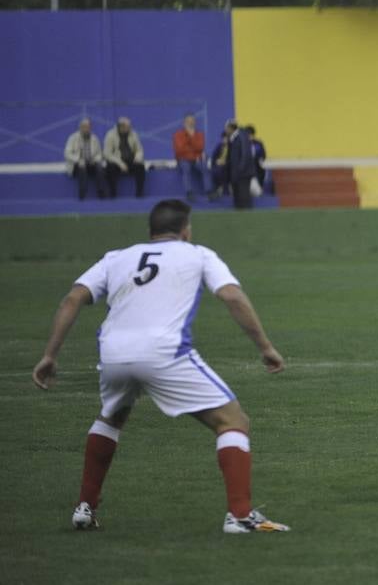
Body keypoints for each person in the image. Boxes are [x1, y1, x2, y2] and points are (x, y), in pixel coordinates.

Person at [30, 199, 289, 534]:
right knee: (233, 420)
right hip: (163, 351)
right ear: (186, 230)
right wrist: (265, 347)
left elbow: (72, 299)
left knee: (112, 417)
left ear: (150, 231)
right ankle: (239, 515)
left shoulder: (117, 257)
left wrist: (50, 355)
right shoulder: (197, 253)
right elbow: (232, 296)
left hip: (112, 352)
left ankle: (85, 507)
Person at [103, 117, 146, 199]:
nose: (130, 128)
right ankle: (113, 193)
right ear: (121, 127)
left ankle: (139, 193)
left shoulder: (133, 134)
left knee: (140, 166)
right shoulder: (110, 135)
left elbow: (139, 149)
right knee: (110, 167)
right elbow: (107, 154)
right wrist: (120, 163)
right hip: (116, 161)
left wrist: (138, 157)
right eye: (128, 127)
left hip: (130, 160)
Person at [64, 118, 107, 200]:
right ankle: (82, 194)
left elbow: (99, 153)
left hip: (91, 163)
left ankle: (101, 193)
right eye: (84, 127)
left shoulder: (95, 138)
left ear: (90, 128)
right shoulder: (72, 138)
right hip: (77, 165)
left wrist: (95, 159)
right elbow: (67, 153)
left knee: (100, 167)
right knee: (82, 167)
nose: (86, 129)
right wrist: (78, 159)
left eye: (87, 127)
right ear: (80, 127)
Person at [173, 114, 208, 201]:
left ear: (195, 122)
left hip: (196, 159)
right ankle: (189, 192)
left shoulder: (199, 134)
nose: (191, 123)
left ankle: (209, 191)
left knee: (204, 167)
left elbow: (200, 147)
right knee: (186, 168)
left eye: (192, 121)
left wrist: (191, 138)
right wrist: (191, 139)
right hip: (183, 159)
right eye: (188, 121)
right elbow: (180, 149)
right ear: (184, 123)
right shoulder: (178, 135)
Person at [225, 119, 257, 210]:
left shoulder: (241, 136)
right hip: (236, 173)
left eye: (226, 128)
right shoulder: (233, 138)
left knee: (244, 196)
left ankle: (247, 217)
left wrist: (240, 170)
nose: (226, 130)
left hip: (243, 173)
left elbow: (245, 154)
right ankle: (239, 218)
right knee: (237, 197)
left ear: (231, 128)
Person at [208, 129, 230, 201]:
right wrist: (216, 161)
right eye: (223, 138)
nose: (225, 140)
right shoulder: (219, 146)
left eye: (226, 138)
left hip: (228, 167)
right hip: (219, 166)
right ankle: (215, 191)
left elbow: (234, 159)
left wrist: (225, 162)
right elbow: (214, 157)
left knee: (221, 171)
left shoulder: (233, 146)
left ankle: (224, 191)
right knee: (214, 171)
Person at [245, 125, 267, 194]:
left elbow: (263, 155)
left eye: (250, 135)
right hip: (246, 165)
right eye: (247, 135)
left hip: (256, 164)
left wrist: (260, 159)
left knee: (262, 170)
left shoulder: (258, 143)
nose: (249, 136)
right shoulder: (242, 144)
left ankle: (260, 187)